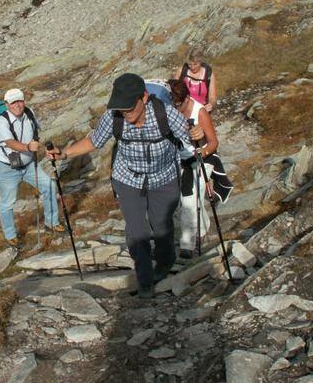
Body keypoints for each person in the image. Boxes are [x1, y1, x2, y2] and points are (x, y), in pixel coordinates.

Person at [46, 74, 203, 298]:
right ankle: (145, 281)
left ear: (144, 98)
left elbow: (189, 136)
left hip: (164, 178)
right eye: (120, 108)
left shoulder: (165, 114)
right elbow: (94, 141)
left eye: (129, 107)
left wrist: (197, 134)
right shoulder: (114, 117)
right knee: (137, 230)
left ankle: (165, 262)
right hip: (127, 178)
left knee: (162, 228)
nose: (125, 112)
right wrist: (64, 154)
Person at [168, 79, 233, 258]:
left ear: (187, 98)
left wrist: (201, 151)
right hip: (180, 160)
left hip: (203, 158)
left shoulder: (200, 112)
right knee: (187, 199)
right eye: (171, 104)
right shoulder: (169, 111)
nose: (174, 108)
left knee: (189, 198)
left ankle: (187, 243)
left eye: (177, 104)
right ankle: (202, 229)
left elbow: (213, 143)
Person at [0, 88, 64, 249]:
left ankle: (52, 223)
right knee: (8, 203)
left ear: (24, 101)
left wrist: (42, 148)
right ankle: (10, 235)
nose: (17, 105)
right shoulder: (1, 122)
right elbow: (10, 143)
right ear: (6, 105)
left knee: (50, 186)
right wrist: (27, 147)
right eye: (13, 102)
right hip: (7, 168)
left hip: (29, 164)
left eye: (20, 101)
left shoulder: (29, 113)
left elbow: (35, 136)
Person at [174, 47, 217, 113]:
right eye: (190, 64)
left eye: (195, 64)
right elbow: (173, 89)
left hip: (201, 110)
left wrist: (211, 105)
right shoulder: (182, 71)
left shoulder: (209, 74)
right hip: (183, 110)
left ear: (200, 62)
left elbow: (212, 97)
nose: (192, 67)